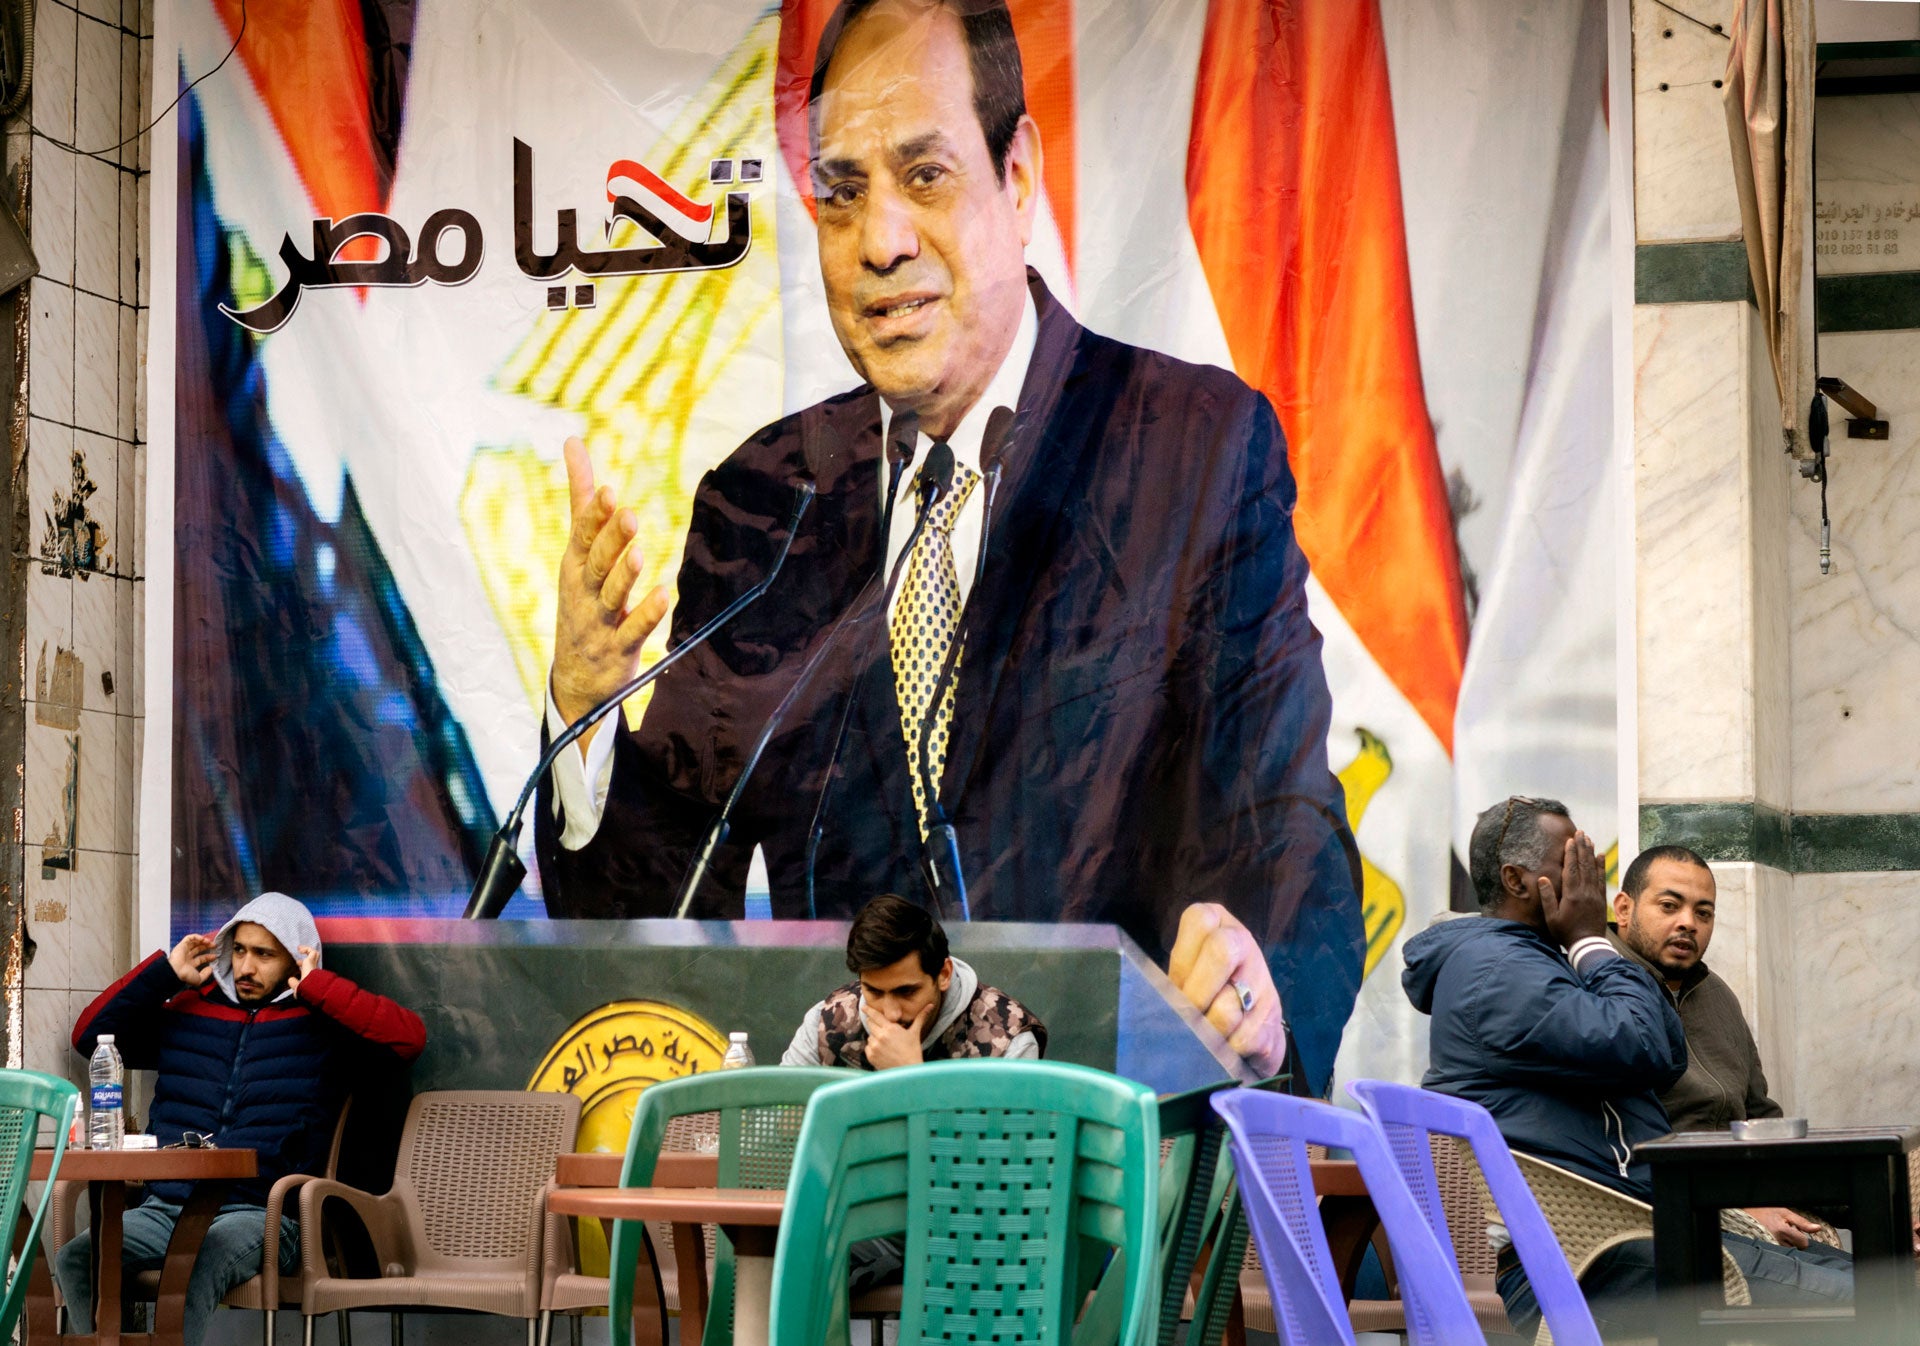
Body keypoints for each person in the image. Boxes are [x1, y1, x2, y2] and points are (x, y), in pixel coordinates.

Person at [533, 0, 1363, 1095]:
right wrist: (586, 720)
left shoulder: (1189, 448)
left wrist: (1261, 975)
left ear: (1017, 178)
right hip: (844, 1163)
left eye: (924, 175)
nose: (880, 240)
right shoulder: (763, 500)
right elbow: (667, 913)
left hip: (1108, 1151)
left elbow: (1287, 818)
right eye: (841, 192)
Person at [1401, 798, 1851, 1338]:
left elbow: (1664, 1049)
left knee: (1858, 1273)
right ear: (1517, 880)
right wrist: (1591, 938)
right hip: (1575, 1264)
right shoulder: (1497, 970)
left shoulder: (1533, 959)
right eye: (1573, 864)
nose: (1588, 880)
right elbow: (1647, 1048)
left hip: (1625, 1235)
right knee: (1869, 1292)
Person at [56, 893, 426, 1346]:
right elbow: (89, 1037)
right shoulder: (190, 1010)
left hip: (262, 1215)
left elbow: (409, 1040)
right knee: (77, 1258)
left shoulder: (320, 1025)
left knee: (195, 1258)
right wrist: (165, 976)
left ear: (295, 958)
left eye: (264, 954)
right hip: (164, 1207)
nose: (247, 967)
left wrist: (319, 987)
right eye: (240, 949)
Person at [782, 893, 1045, 1068]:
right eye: (873, 991)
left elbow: (1005, 1151)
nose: (891, 1013)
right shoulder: (826, 1023)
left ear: (943, 975)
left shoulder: (1009, 1039)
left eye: (906, 992)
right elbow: (774, 1130)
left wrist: (910, 1080)